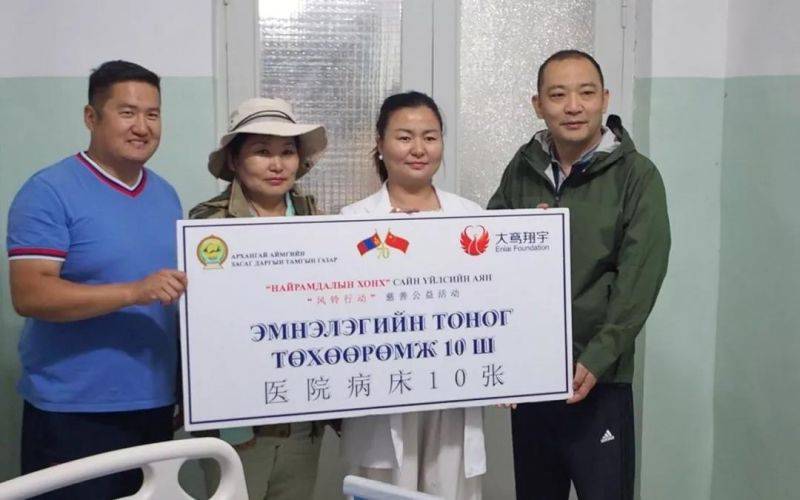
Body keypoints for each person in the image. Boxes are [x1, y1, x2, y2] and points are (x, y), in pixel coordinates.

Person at [487, 50, 670, 499]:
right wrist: (503, 358)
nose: (573, 106)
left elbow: (639, 276)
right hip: (533, 378)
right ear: (538, 105)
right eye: (558, 95)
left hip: (599, 379)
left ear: (604, 98)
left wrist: (599, 355)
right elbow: (489, 259)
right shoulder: (523, 168)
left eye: (586, 93)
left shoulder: (636, 175)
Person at [6, 60, 186, 498]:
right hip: (74, 411)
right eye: (127, 113)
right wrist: (133, 291)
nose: (142, 127)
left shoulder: (166, 195)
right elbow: (30, 293)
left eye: (152, 114)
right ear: (92, 117)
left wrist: (185, 385)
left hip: (154, 406)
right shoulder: (49, 191)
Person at [340, 91, 485, 500]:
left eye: (430, 137)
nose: (418, 149)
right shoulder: (352, 221)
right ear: (380, 144)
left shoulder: (472, 218)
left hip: (453, 386)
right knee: (382, 491)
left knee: (450, 490)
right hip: (382, 390)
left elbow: (493, 302)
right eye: (404, 137)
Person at [188, 97, 329, 500]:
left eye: (287, 151)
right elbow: (206, 329)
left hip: (302, 416)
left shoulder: (319, 220)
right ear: (234, 160)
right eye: (262, 152)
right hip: (235, 424)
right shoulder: (206, 223)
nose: (277, 164)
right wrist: (229, 424)